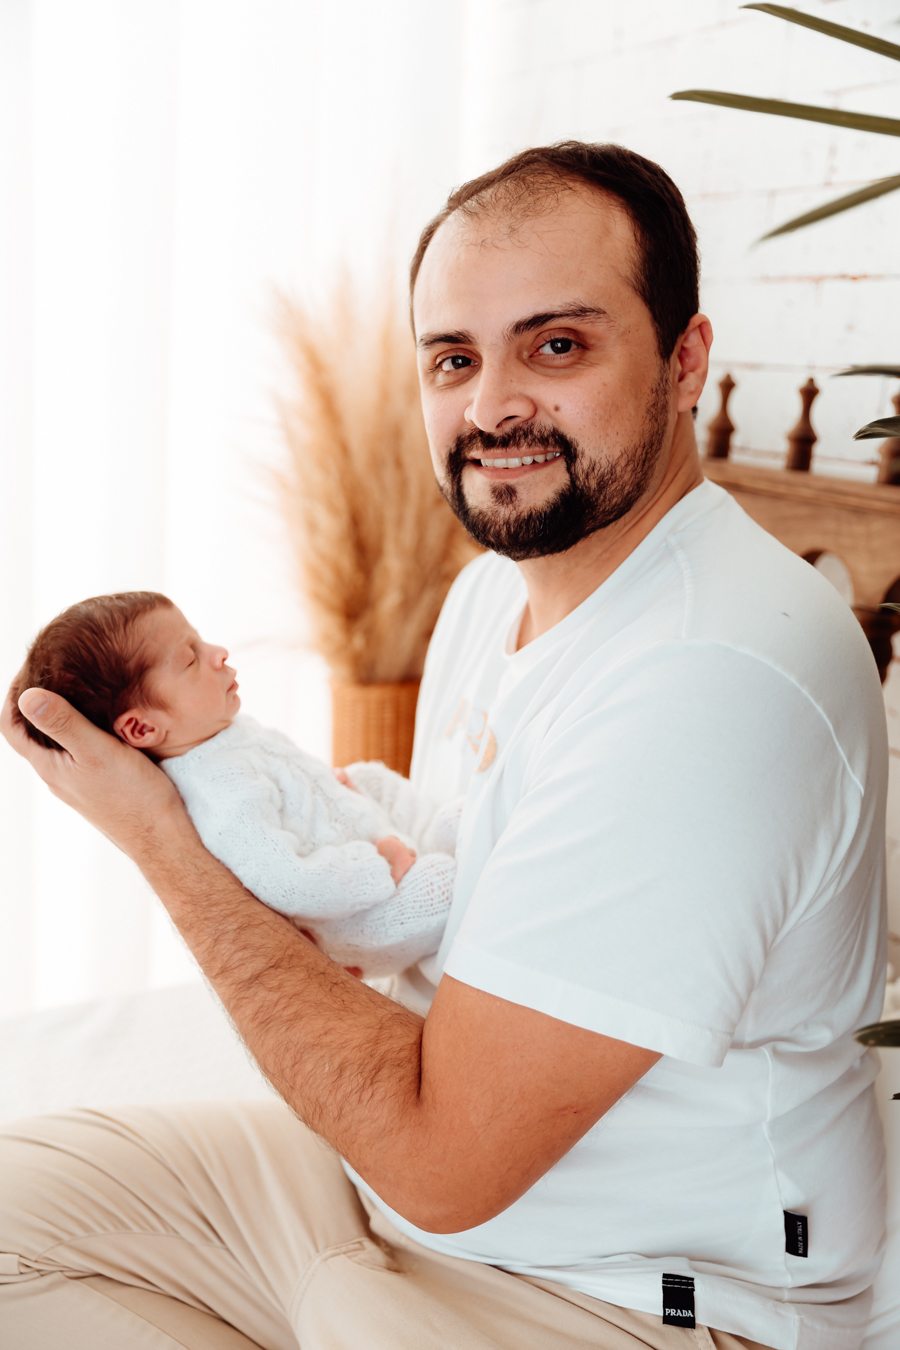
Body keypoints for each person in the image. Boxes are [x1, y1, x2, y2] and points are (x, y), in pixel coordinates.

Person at [0, 141, 888, 1350]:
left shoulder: (713, 673)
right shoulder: (490, 594)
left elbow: (444, 1158)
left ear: (685, 362)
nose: (492, 408)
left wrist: (161, 837)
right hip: (376, 1207)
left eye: (556, 346)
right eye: (454, 359)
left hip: (623, 1294)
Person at [10, 591, 458, 977]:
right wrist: (376, 866)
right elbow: (288, 881)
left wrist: (328, 786)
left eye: (201, 639)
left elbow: (287, 778)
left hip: (352, 841)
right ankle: (434, 857)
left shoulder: (219, 732)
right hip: (353, 918)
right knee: (442, 884)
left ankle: (433, 833)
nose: (218, 652)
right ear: (142, 728)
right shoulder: (218, 789)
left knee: (368, 776)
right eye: (190, 659)